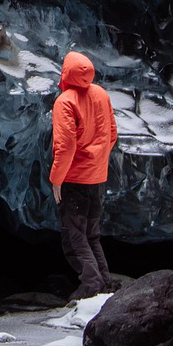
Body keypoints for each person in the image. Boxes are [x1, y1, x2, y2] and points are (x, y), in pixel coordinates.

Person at [50, 50, 117, 299]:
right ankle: (106, 286)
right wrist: (96, 162)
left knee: (74, 241)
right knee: (92, 236)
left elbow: (65, 147)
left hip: (74, 180)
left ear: (66, 72)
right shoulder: (101, 94)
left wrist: (57, 179)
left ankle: (94, 289)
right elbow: (112, 132)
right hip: (97, 178)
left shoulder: (65, 101)